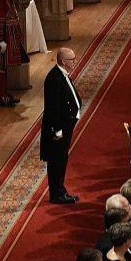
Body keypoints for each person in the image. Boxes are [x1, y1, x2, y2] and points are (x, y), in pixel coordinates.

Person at [42, 48, 82, 204]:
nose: (75, 61)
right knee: (56, 160)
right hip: (58, 131)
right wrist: (58, 131)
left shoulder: (62, 75)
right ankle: (57, 193)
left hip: (65, 127)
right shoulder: (54, 79)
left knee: (62, 159)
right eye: (72, 59)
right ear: (63, 61)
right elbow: (53, 109)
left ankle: (60, 189)